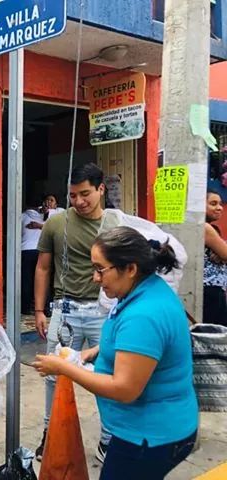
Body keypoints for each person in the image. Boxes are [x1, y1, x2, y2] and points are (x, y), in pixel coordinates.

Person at [33, 226, 198, 480]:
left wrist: (65, 368)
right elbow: (136, 346)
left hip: (149, 435)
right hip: (153, 429)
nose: (95, 278)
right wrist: (93, 352)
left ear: (130, 268)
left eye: (100, 269)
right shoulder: (144, 290)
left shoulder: (144, 314)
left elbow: (125, 389)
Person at [33, 163, 111, 462]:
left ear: (101, 189)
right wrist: (40, 310)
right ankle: (50, 435)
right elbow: (42, 267)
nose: (78, 201)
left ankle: (108, 439)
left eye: (85, 194)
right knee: (54, 377)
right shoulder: (57, 223)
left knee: (106, 377)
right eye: (73, 195)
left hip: (102, 313)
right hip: (64, 312)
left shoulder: (116, 224)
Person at [203, 189, 227, 326]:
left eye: (220, 204)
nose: (219, 208)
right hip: (211, 290)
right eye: (213, 203)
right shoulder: (205, 228)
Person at [21, 200, 45, 314]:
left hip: (25, 250)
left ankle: (25, 308)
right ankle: (43, 308)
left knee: (26, 281)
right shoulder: (43, 218)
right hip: (40, 251)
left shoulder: (21, 216)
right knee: (40, 280)